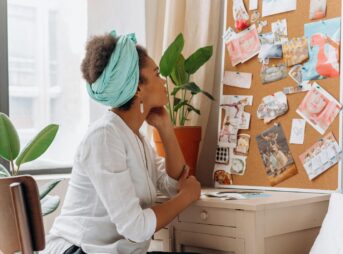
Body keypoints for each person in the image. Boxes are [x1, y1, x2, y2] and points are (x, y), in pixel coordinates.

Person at [41, 31, 201, 254]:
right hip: (79, 250)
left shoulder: (134, 137)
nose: (163, 81)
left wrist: (166, 129)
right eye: (156, 74)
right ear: (137, 87)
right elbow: (135, 227)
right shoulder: (104, 138)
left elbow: (173, 183)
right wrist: (187, 197)